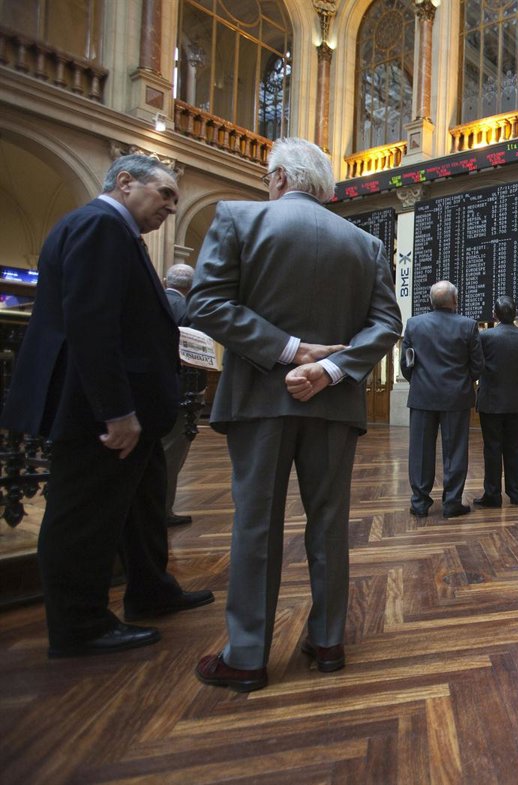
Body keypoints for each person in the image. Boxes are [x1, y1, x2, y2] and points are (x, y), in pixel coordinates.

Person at [188, 138, 403, 693]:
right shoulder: (365, 244)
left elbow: (206, 304)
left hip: (258, 400)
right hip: (333, 407)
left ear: (280, 176)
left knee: (256, 525)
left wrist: (289, 350)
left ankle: (247, 657)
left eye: (268, 177)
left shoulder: (237, 218)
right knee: (329, 523)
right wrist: (329, 370)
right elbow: (387, 324)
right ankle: (328, 641)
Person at [0, 154, 213, 658]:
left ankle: (151, 590)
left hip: (134, 408)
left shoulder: (111, 230)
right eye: (165, 194)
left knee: (142, 503)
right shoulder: (100, 226)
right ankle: (81, 625)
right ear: (125, 182)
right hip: (98, 410)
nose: (171, 206)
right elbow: (92, 324)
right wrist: (116, 412)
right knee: (84, 515)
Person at [401, 280, 482, 519]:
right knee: (455, 452)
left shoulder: (414, 324)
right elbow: (478, 366)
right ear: (455, 301)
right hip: (456, 398)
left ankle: (419, 503)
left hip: (422, 397)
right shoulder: (468, 325)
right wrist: (463, 382)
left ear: (430, 301)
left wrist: (419, 382)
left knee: (420, 451)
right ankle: (452, 503)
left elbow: (406, 364)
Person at [473, 296, 518, 508]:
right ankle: (517, 493)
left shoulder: (485, 336)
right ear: (515, 314)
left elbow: (479, 364)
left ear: (494, 315)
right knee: (516, 447)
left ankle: (493, 495)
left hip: (491, 400)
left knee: (492, 448)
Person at [161, 263, 202, 527]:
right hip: (184, 391)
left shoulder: (153, 301)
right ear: (192, 286)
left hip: (153, 388)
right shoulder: (190, 310)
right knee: (172, 454)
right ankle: (163, 510)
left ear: (166, 281)